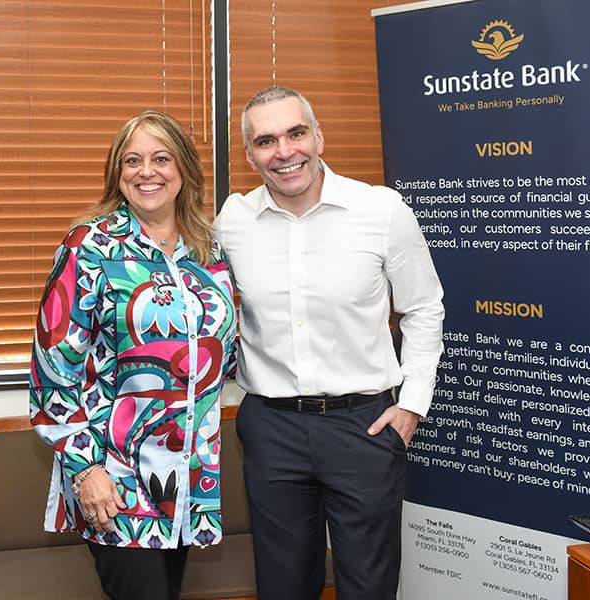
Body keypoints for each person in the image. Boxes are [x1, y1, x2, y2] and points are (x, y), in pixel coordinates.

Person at [213, 87, 444, 600]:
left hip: (363, 426)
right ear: (249, 155)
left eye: (296, 133)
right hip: (271, 427)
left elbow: (424, 308)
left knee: (369, 585)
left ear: (318, 136)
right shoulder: (232, 223)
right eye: (266, 141)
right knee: (283, 586)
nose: (284, 152)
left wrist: (412, 405)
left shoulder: (381, 209)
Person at [30, 110, 237, 600]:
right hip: (115, 478)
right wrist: (85, 470)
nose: (147, 172)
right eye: (132, 161)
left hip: (187, 478)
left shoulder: (208, 251)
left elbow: (221, 353)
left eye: (161, 158)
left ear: (183, 168)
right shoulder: (89, 247)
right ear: (116, 172)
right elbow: (52, 371)